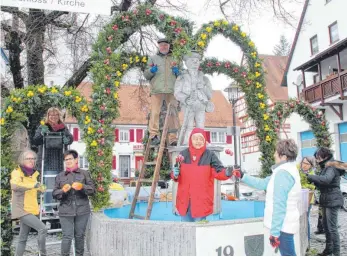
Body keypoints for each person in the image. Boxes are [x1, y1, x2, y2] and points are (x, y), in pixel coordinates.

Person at [233, 139, 301, 256]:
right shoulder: (283, 171)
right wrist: (243, 176)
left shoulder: (283, 174)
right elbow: (263, 183)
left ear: (283, 156)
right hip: (285, 223)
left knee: (288, 254)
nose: (274, 154)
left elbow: (279, 204)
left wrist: (275, 233)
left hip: (283, 226)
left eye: (276, 152)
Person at [171, 128, 233, 222]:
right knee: (186, 231)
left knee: (200, 232)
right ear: (191, 139)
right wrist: (175, 174)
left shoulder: (210, 155)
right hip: (185, 201)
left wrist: (227, 173)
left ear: (204, 141)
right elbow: (176, 174)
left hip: (201, 202)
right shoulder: (183, 154)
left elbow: (219, 172)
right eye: (195, 139)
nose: (198, 141)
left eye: (201, 139)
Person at [52, 150, 95, 256]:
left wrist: (82, 187)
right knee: (67, 236)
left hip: (82, 211)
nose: (68, 161)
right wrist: (63, 191)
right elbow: (54, 194)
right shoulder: (60, 176)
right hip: (65, 211)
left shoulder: (85, 173)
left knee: (80, 236)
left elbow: (92, 190)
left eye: (70, 159)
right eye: (66, 159)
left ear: (76, 160)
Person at [32, 107, 73, 212]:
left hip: (59, 160)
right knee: (49, 186)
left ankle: (58, 206)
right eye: (51, 115)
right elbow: (35, 141)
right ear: (48, 116)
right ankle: (49, 209)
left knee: (60, 186)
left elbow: (70, 139)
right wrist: (42, 134)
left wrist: (67, 139)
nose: (53, 117)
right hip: (47, 161)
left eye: (56, 115)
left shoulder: (63, 127)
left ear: (59, 116)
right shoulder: (43, 126)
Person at [306, 147, 344, 256]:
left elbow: (326, 179)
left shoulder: (331, 166)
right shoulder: (326, 167)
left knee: (332, 228)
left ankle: (336, 253)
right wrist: (313, 181)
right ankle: (328, 250)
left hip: (333, 199)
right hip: (327, 199)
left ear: (325, 156)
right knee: (326, 227)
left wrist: (311, 177)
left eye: (318, 157)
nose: (317, 160)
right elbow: (323, 183)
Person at [143, 38, 180, 146]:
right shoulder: (153, 59)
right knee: (155, 112)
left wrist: (177, 72)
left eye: (165, 45)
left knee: (173, 113)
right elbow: (146, 74)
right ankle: (154, 135)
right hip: (157, 90)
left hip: (172, 90)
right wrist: (151, 71)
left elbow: (182, 74)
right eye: (161, 45)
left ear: (169, 46)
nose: (163, 47)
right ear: (158, 47)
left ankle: (173, 138)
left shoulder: (175, 59)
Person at [11, 150, 47, 256]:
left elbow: (36, 188)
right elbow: (15, 186)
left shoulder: (33, 174)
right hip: (22, 209)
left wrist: (41, 188)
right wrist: (33, 186)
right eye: (28, 158)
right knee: (43, 229)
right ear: (23, 160)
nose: (31, 161)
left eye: (33, 158)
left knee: (22, 238)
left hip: (31, 209)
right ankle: (43, 254)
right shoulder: (17, 172)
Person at [174, 51, 214, 145]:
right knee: (189, 126)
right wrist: (186, 99)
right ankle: (187, 141)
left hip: (201, 105)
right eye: (193, 60)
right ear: (187, 62)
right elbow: (177, 92)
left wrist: (203, 87)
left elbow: (209, 95)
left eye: (197, 61)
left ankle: (201, 142)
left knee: (200, 125)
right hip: (188, 105)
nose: (195, 62)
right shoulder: (182, 77)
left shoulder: (204, 78)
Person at [298, 157, 316, 251]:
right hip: (298, 199)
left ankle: (307, 243)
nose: (304, 165)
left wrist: (302, 186)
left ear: (311, 166)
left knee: (305, 219)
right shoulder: (297, 169)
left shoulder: (312, 174)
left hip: (308, 200)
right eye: (303, 162)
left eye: (307, 164)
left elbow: (312, 187)